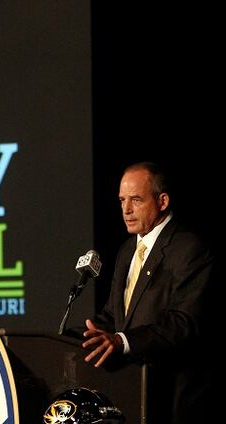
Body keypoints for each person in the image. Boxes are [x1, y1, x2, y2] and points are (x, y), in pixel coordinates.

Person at [81, 161, 215, 423]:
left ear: (162, 201)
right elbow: (116, 316)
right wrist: (86, 336)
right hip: (131, 398)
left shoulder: (189, 250)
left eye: (136, 200)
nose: (126, 210)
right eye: (121, 200)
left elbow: (183, 323)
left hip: (172, 401)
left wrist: (122, 341)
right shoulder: (127, 251)